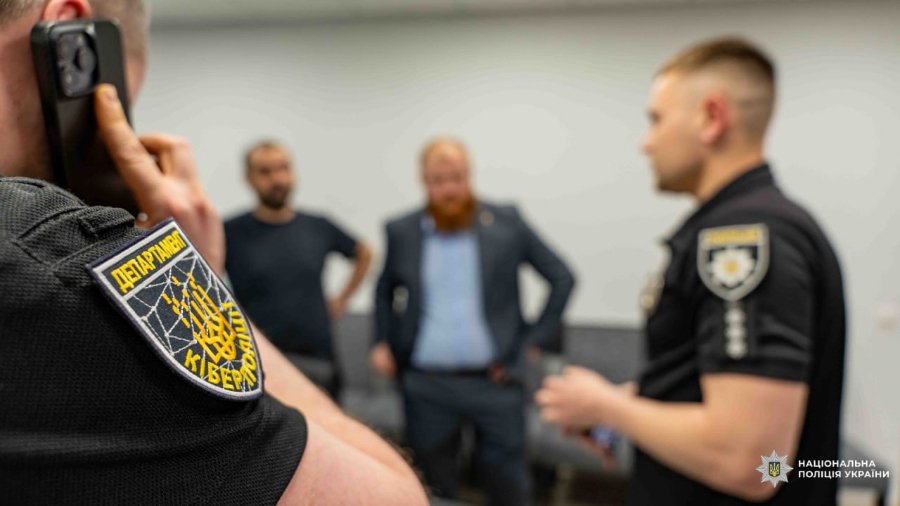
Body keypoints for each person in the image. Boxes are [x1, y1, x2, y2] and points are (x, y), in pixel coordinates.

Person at [0, 1, 427, 504]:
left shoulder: (316, 224)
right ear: (70, 24)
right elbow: (394, 497)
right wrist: (193, 270)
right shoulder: (48, 261)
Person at [536, 37, 846, 505]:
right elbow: (703, 383)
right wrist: (620, 407)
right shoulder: (742, 224)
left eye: (656, 120)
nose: (646, 143)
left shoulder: (741, 238)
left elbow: (752, 461)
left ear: (711, 118)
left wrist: (608, 406)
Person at [371, 137, 576, 505]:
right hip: (426, 385)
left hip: (496, 383)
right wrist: (381, 341)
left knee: (509, 486)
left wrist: (530, 343)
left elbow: (562, 278)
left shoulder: (506, 223)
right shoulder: (402, 231)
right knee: (431, 489)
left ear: (470, 175)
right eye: (438, 181)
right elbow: (385, 289)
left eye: (457, 178)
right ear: (424, 181)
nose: (449, 189)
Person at [225, 140, 373, 397]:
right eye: (265, 171)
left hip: (318, 357)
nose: (277, 179)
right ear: (248, 178)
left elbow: (364, 253)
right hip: (259, 362)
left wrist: (342, 300)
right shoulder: (230, 232)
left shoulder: (317, 226)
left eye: (283, 168)